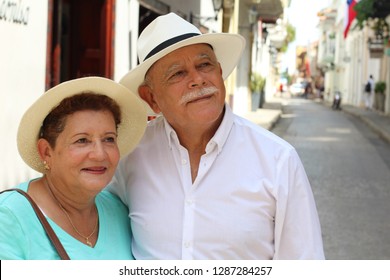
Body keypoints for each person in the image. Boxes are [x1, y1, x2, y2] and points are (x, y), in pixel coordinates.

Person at [110, 12, 324, 260]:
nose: (197, 79)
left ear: (220, 72)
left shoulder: (278, 159)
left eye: (204, 65)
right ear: (151, 98)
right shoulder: (130, 155)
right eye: (177, 73)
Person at [0, 77, 147, 259]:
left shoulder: (118, 210)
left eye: (109, 139)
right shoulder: (9, 217)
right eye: (82, 140)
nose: (100, 154)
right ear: (46, 152)